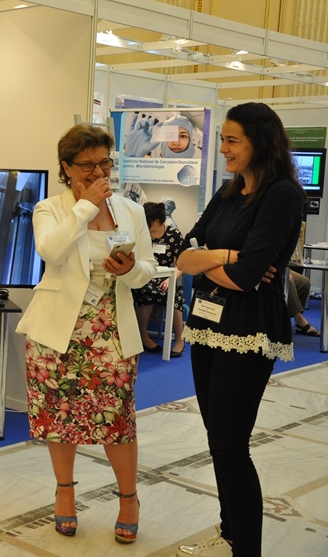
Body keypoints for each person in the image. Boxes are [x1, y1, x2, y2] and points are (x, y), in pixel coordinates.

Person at [175, 103, 306, 557]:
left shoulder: (282, 195)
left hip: (249, 331)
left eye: (232, 140)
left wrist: (212, 260)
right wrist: (228, 256)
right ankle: (230, 534)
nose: (224, 149)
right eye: (223, 140)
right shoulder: (229, 190)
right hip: (208, 325)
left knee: (230, 446)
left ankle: (245, 549)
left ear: (260, 142)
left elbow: (249, 278)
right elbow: (185, 254)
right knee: (218, 440)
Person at [15, 125, 156, 543]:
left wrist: (130, 270)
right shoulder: (50, 208)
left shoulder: (130, 210)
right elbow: (50, 251)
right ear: (67, 167)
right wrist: (85, 208)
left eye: (104, 163)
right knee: (59, 419)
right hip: (57, 331)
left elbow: (148, 268)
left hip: (111, 328)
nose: (98, 172)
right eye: (88, 165)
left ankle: (128, 499)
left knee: (117, 419)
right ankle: (64, 493)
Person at [133, 202, 185, 357]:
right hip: (145, 276)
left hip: (167, 276)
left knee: (174, 294)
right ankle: (143, 336)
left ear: (156, 222)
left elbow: (181, 265)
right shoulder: (142, 234)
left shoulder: (174, 235)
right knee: (144, 291)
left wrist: (170, 280)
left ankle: (179, 340)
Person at [287, 269, 319, 336]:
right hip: (267, 269)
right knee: (288, 282)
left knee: (304, 283)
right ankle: (300, 320)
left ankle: (288, 316)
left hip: (280, 267)